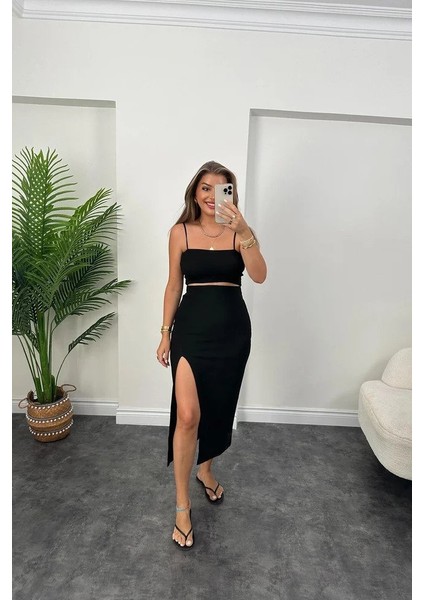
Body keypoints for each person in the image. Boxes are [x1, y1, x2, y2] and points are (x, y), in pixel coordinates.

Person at [156, 160, 267, 550]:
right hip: (191, 331)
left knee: (219, 406)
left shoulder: (240, 233)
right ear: (195, 191)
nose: (211, 195)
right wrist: (165, 333)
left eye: (221, 188)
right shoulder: (180, 232)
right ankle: (182, 505)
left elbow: (259, 275)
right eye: (205, 187)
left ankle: (205, 469)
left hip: (232, 332)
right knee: (188, 415)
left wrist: (245, 232)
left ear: (230, 194)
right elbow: (174, 285)